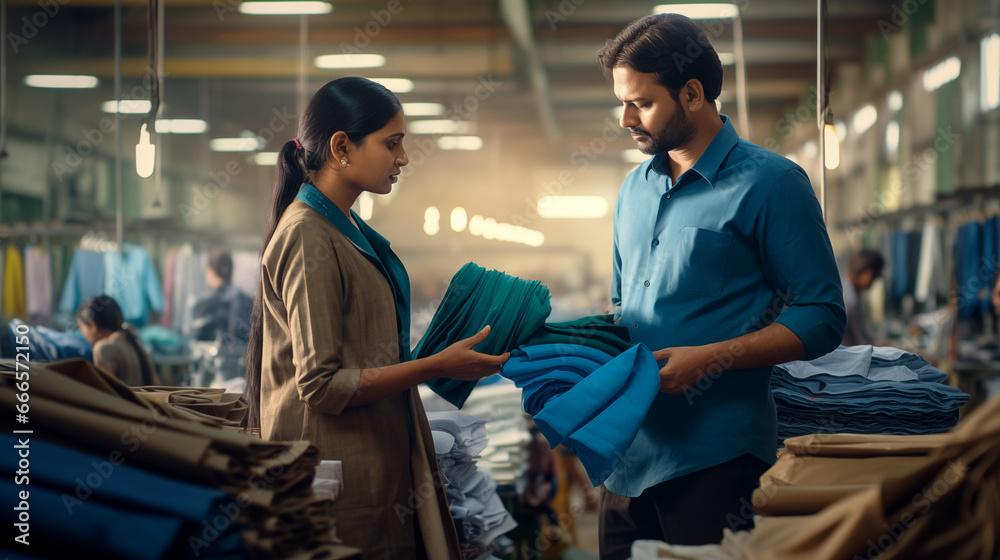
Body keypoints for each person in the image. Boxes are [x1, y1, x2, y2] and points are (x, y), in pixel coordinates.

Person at [597, 14, 846, 557]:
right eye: (621, 101)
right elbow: (622, 305)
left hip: (715, 462)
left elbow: (822, 314)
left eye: (640, 103)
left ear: (692, 93)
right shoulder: (632, 192)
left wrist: (711, 358)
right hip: (625, 457)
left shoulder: (771, 184)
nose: (624, 118)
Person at [243, 77, 509, 560]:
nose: (403, 158)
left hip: (372, 462)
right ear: (342, 147)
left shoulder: (343, 227)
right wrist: (434, 365)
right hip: (335, 475)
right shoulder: (309, 237)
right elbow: (321, 385)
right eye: (392, 144)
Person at [77, 294, 160, 386]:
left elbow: (107, 393)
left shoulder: (102, 349)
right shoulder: (132, 337)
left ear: (93, 325)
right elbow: (156, 382)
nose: (82, 333)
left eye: (81, 327)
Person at [190, 250, 253, 343]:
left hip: (216, 355)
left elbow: (198, 338)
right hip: (243, 354)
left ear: (210, 271)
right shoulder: (246, 298)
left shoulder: (205, 303)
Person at [842, 249, 885, 346]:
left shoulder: (844, 290)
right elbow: (862, 341)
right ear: (868, 275)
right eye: (875, 278)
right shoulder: (850, 300)